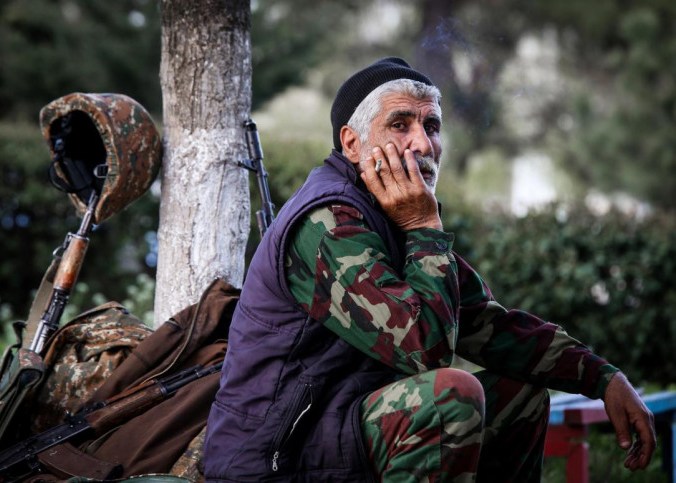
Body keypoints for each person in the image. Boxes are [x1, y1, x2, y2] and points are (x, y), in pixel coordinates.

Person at [203, 57, 655, 482]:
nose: (423, 144)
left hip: (342, 429)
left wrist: (603, 377)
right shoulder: (327, 222)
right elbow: (425, 351)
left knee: (520, 393)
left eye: (431, 126)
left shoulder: (390, 214)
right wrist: (424, 227)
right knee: (449, 396)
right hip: (280, 458)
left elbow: (489, 326)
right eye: (400, 125)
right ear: (352, 144)